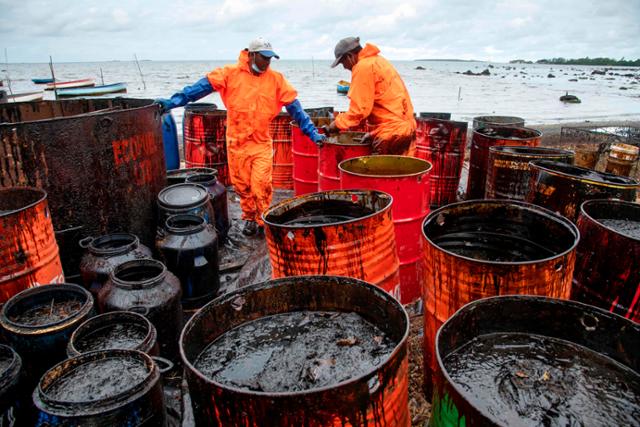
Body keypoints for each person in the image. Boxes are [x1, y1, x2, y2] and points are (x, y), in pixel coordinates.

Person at [156, 37, 326, 236]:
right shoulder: (229, 74)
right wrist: (171, 102)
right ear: (252, 55)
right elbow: (196, 90)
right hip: (237, 143)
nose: (268, 62)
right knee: (242, 186)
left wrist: (313, 133)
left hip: (261, 143)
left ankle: (263, 221)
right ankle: (249, 218)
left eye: (271, 58)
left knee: (261, 184)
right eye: (264, 58)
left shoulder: (276, 80)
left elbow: (296, 109)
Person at [326, 37, 417, 156]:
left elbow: (359, 111)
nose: (344, 67)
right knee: (402, 172)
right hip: (406, 129)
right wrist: (373, 134)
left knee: (380, 173)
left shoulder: (363, 67)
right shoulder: (379, 61)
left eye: (343, 62)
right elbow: (390, 108)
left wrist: (336, 124)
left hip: (390, 135)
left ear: (349, 56)